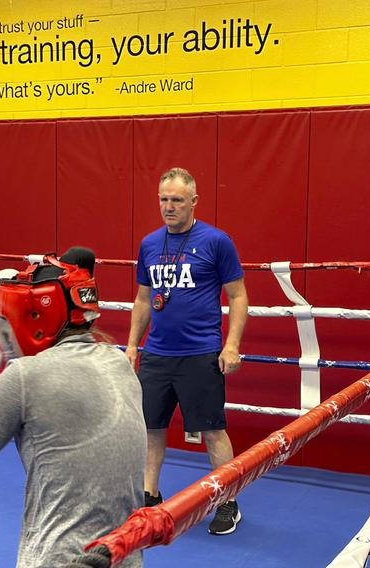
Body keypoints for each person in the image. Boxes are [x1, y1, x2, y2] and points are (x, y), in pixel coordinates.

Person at [0, 247, 146, 568]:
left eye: (6, 326)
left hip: (58, 560)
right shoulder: (118, 362)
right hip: (123, 557)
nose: (3, 341)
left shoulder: (26, 376)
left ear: (35, 320)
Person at [126, 167, 249, 536]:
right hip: (158, 354)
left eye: (177, 200)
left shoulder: (216, 241)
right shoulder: (149, 244)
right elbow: (143, 300)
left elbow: (238, 296)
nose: (168, 207)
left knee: (212, 431)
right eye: (163, 199)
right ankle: (149, 496)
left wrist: (231, 345)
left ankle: (228, 501)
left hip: (201, 353)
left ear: (193, 202)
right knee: (151, 428)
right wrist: (133, 344)